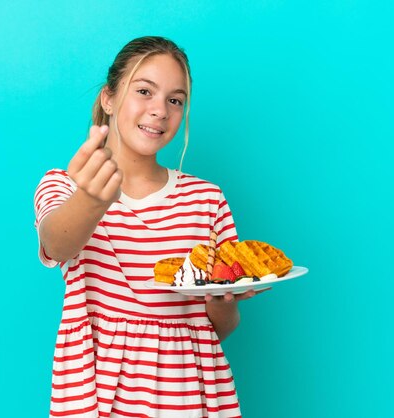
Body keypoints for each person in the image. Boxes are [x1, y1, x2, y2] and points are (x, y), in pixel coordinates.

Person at [34, 36, 267, 418]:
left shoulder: (205, 199)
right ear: (109, 98)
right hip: (96, 394)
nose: (160, 110)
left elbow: (218, 330)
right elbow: (57, 243)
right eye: (145, 91)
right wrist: (94, 197)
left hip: (187, 396)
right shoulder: (65, 185)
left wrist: (220, 302)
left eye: (175, 100)